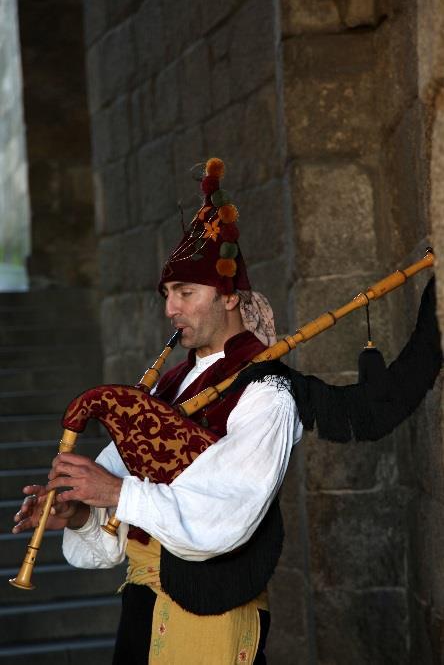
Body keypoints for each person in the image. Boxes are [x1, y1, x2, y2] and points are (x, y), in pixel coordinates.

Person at [12, 158, 303, 664]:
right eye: (168, 293)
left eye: (185, 292)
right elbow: (119, 532)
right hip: (144, 604)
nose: (170, 308)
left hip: (212, 612)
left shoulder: (267, 389)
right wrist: (81, 509)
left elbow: (226, 516)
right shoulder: (168, 387)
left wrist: (118, 491)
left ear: (230, 297)